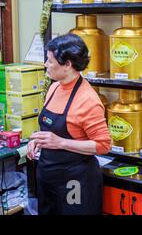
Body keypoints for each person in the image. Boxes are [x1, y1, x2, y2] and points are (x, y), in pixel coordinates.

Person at [26, 34, 111, 215]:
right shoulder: (55, 87)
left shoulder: (87, 100)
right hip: (48, 178)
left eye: (50, 61)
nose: (45, 65)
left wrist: (60, 142)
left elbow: (103, 145)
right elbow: (50, 130)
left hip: (75, 183)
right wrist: (39, 141)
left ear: (67, 65)